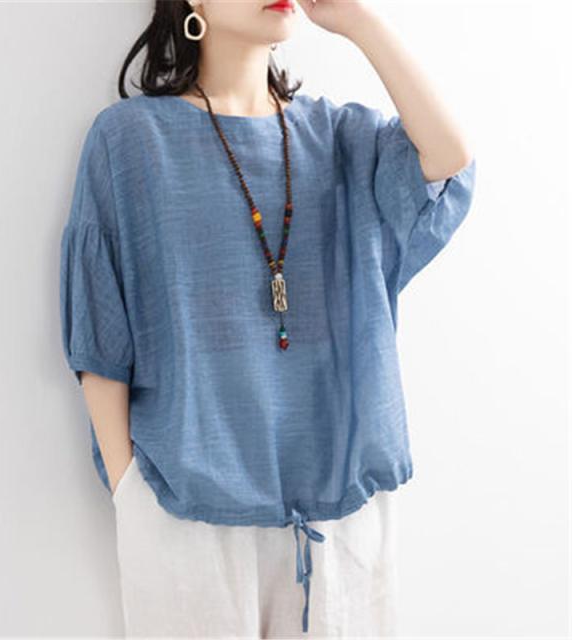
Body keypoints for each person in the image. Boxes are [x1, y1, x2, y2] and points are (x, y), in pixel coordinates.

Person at [59, 0, 475, 637]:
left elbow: (448, 158)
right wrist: (131, 499)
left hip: (339, 524)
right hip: (188, 521)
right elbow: (100, 332)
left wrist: (360, 21)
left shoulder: (340, 138)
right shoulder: (131, 142)